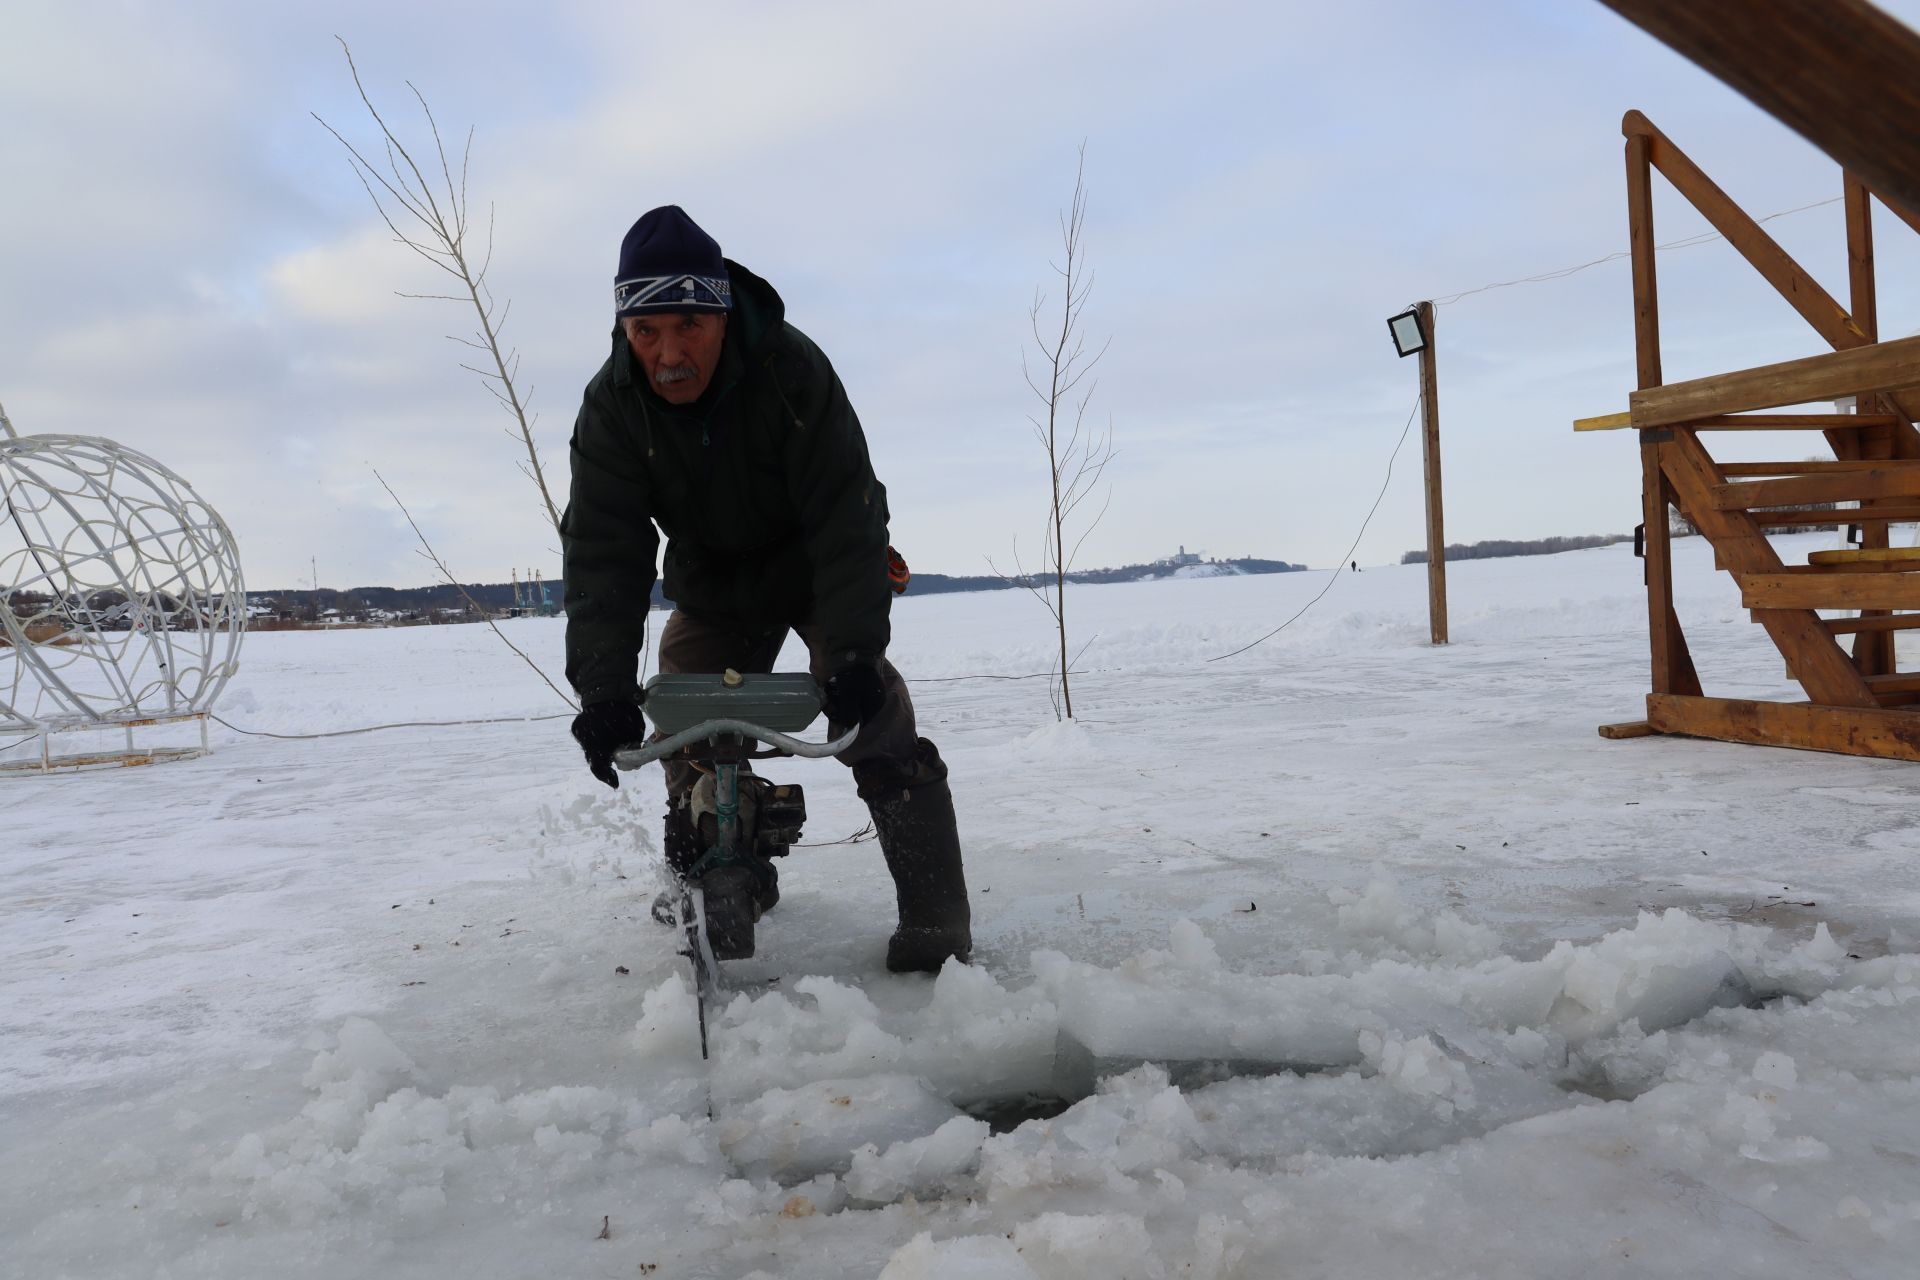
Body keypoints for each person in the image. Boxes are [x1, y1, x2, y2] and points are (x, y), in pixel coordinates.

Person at [559, 205, 970, 974]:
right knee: (682, 713)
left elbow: (848, 519)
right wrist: (602, 687)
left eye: (687, 326)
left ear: (721, 312)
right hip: (715, 580)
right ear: (623, 329)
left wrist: (849, 655)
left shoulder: (793, 373)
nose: (668, 355)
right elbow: (602, 552)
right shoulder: (611, 406)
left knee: (875, 715)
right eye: (646, 332)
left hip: (818, 564)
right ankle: (724, 877)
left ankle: (936, 920)